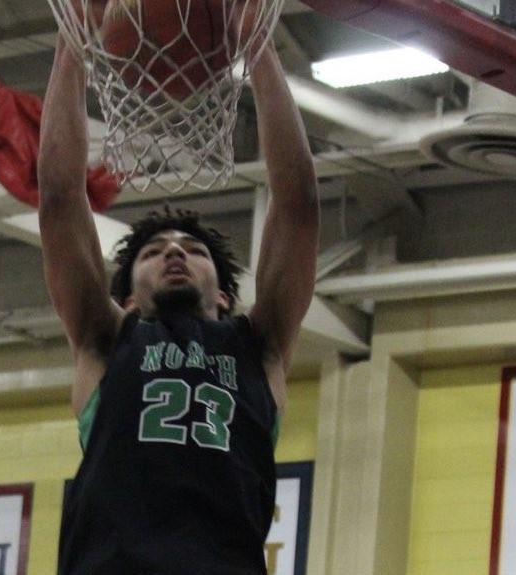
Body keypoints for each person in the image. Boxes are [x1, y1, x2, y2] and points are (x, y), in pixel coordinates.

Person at [37, 12, 320, 574]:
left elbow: (299, 205)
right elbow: (59, 198)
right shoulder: (105, 339)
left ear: (225, 297)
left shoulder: (259, 347)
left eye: (192, 250)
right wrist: (73, 39)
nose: (173, 253)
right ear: (127, 300)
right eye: (152, 252)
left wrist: (258, 47)